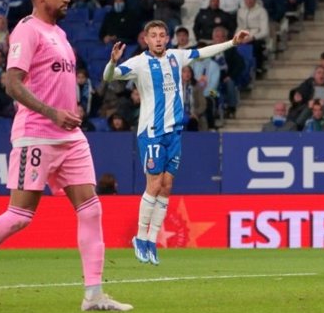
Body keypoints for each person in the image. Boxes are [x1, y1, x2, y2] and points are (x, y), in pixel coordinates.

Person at [0, 0, 132, 311]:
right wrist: (52, 113)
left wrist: (69, 114)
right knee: (19, 215)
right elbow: (12, 83)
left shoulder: (60, 35)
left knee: (91, 209)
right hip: (36, 136)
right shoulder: (27, 31)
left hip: (70, 136)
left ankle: (93, 295)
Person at [103, 21, 250, 265]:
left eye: (162, 35)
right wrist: (112, 61)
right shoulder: (139, 63)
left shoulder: (176, 57)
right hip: (152, 132)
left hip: (174, 133)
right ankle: (139, 237)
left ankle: (151, 240)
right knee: (155, 183)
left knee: (167, 185)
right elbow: (109, 77)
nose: (159, 39)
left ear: (167, 38)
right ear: (146, 40)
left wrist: (232, 42)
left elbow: (203, 52)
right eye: (154, 36)